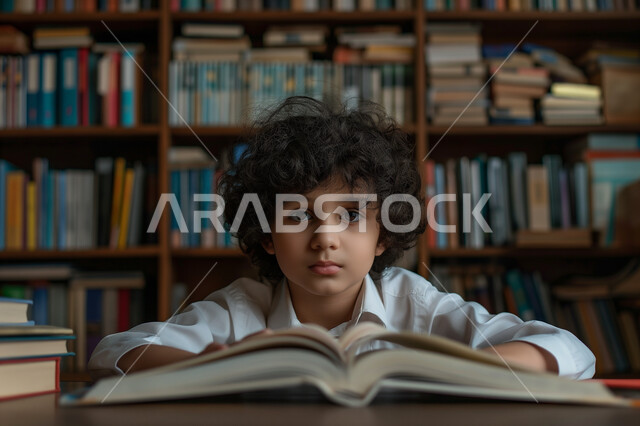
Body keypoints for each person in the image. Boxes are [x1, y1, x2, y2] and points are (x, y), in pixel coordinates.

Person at [88, 96, 595, 380]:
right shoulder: (241, 308)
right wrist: (213, 362)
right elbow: (118, 349)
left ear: (382, 236)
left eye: (352, 216)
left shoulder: (415, 302)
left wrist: (466, 368)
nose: (324, 239)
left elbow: (568, 350)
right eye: (297, 217)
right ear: (266, 235)